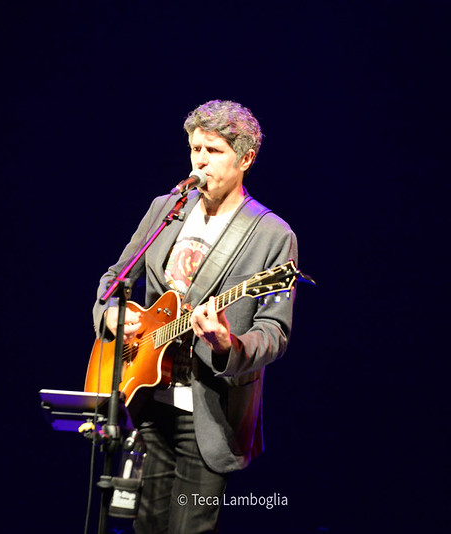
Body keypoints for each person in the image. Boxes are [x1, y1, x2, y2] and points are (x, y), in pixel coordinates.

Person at [92, 99, 298, 533]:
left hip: (208, 415)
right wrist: (111, 315)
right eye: (195, 149)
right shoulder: (167, 208)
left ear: (246, 158)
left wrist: (228, 344)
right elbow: (115, 279)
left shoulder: (272, 235)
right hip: (146, 397)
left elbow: (275, 332)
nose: (201, 161)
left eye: (214, 151)